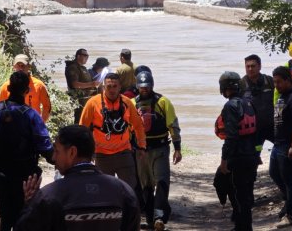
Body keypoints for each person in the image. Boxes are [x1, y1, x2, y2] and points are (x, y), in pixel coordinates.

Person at [15, 125, 141, 231]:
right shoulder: (124, 191)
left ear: (72, 152)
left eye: (57, 151)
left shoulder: (48, 196)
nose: (53, 158)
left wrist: (30, 204)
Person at [0, 71, 53, 231]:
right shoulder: (31, 115)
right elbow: (44, 144)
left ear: (8, 88)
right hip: (26, 174)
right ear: (27, 91)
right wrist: (56, 159)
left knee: (6, 218)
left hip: (1, 173)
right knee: (26, 217)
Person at [131, 71, 182, 231]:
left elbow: (173, 125)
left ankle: (160, 217)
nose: (144, 89)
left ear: (152, 85)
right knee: (145, 184)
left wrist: (177, 148)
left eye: (147, 87)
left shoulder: (163, 102)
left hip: (160, 147)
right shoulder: (132, 103)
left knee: (161, 181)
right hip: (141, 151)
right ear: (137, 86)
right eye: (141, 87)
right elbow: (127, 128)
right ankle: (151, 218)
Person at [79, 73, 146, 189]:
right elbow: (82, 129)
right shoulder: (93, 103)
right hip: (101, 155)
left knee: (129, 188)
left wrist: (142, 146)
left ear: (120, 87)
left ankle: (129, 207)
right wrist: (85, 153)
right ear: (103, 87)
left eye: (115, 86)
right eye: (108, 86)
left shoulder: (127, 103)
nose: (112, 90)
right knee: (104, 190)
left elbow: (138, 125)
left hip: (123, 152)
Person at [218, 71, 259, 231]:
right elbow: (257, 131)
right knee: (247, 193)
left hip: (239, 156)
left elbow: (232, 136)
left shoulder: (230, 106)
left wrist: (224, 159)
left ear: (224, 88)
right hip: (251, 156)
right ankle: (243, 225)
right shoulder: (249, 102)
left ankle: (244, 227)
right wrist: (257, 155)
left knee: (239, 194)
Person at [269, 66, 292, 228]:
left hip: (289, 145)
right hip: (278, 144)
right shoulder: (282, 96)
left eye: (278, 82)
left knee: (290, 180)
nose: (276, 85)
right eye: (274, 82)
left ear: (287, 80)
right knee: (274, 173)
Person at [0, 54, 51, 122]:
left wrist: (41, 122)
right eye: (18, 65)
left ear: (29, 66)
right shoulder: (6, 86)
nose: (21, 68)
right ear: (14, 66)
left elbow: (47, 106)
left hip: (32, 126)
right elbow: (0, 107)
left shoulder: (39, 85)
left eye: (23, 65)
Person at [241, 54, 275, 155]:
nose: (250, 69)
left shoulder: (270, 81)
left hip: (272, 126)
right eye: (248, 66)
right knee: (254, 156)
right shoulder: (241, 85)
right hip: (253, 130)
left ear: (259, 66)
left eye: (253, 66)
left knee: (283, 151)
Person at [65, 48, 99, 124]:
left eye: (88, 56)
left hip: (86, 100)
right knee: (79, 121)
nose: (87, 58)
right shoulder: (73, 67)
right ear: (78, 56)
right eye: (85, 55)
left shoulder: (82, 68)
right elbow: (75, 84)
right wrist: (92, 84)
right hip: (79, 101)